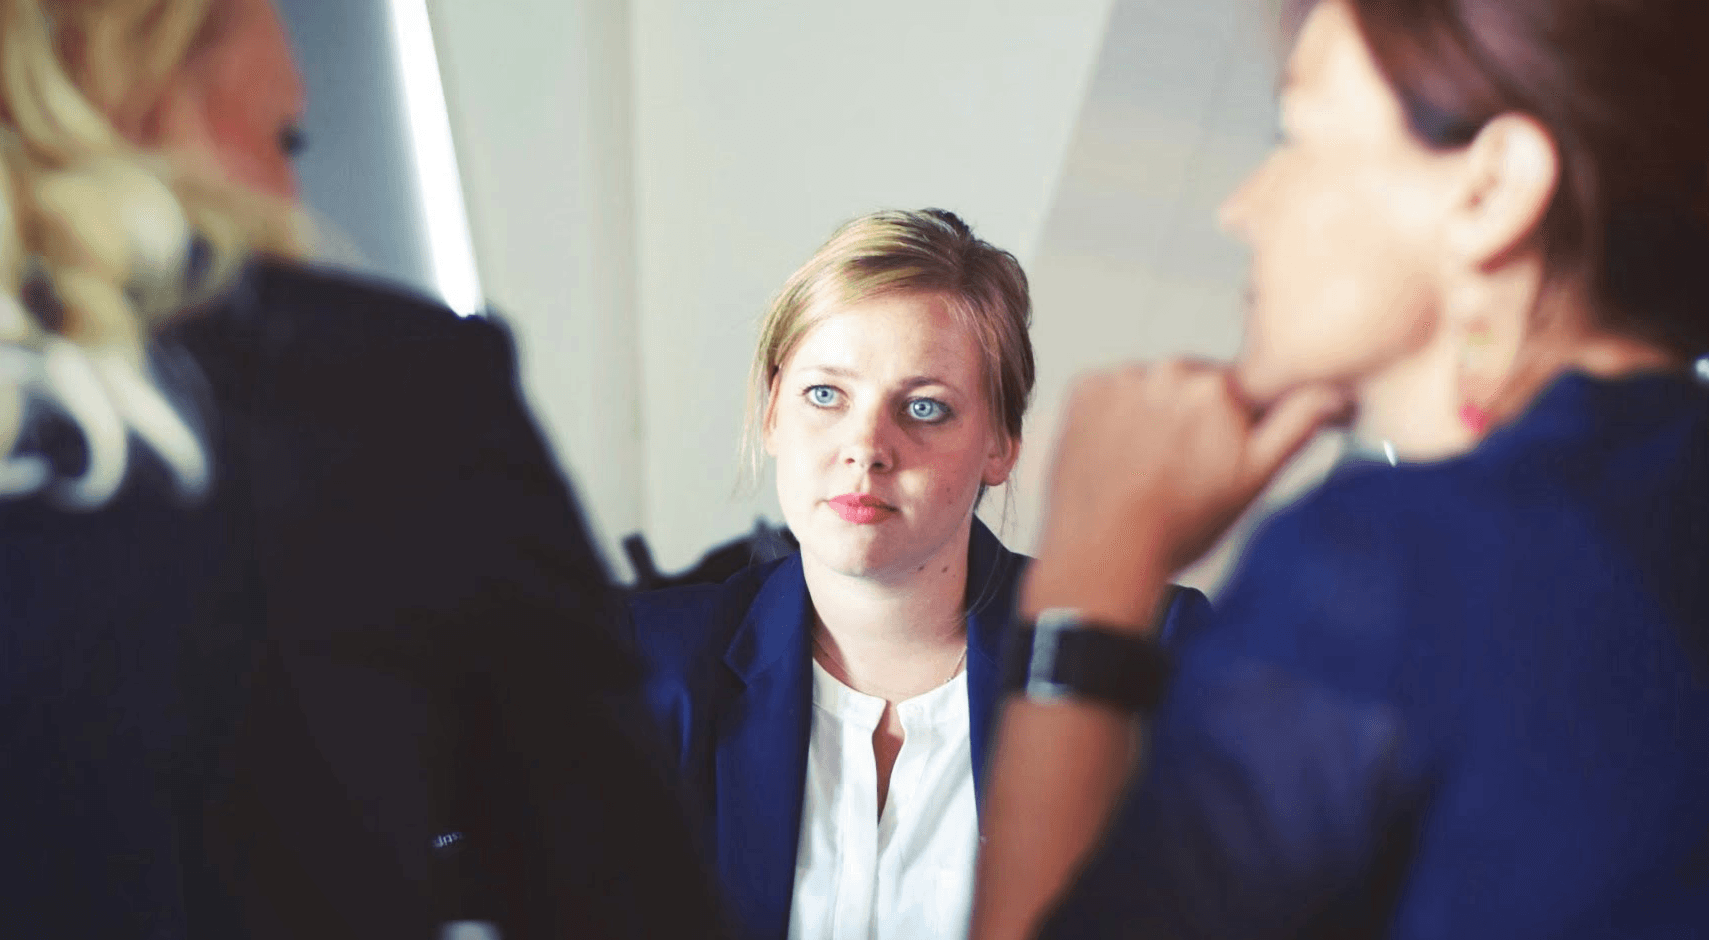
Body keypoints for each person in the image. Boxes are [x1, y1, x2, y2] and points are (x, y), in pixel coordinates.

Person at [970, 0, 1709, 937]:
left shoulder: (1395, 564)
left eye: (1295, 137)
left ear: (1491, 190)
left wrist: (1093, 559)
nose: (1240, 208)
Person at [0, 0, 726, 937]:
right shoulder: (381, 395)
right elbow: (626, 899)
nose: (291, 197)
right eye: (284, 137)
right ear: (141, 89)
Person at [626, 207, 1212, 940]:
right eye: (824, 395)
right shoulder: (642, 666)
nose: (865, 447)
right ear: (772, 411)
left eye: (924, 408)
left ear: (1000, 446)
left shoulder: (1146, 654)